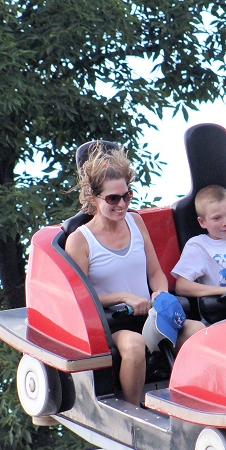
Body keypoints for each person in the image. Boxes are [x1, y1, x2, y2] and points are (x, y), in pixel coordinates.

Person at [64, 144, 204, 405]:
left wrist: (160, 294)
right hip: (112, 323)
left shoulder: (136, 222)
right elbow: (81, 299)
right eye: (112, 199)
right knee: (134, 345)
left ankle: (192, 401)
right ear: (93, 199)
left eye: (127, 196)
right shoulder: (80, 241)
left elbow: (155, 273)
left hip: (150, 314)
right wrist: (124, 297)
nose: (122, 204)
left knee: (199, 331)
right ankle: (131, 412)